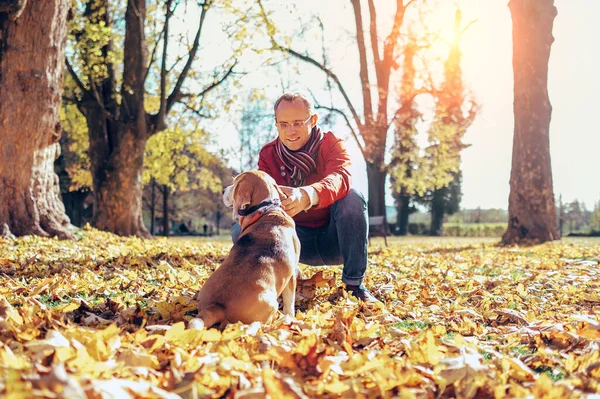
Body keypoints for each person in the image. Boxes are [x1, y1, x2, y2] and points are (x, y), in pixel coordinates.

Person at [232, 93, 379, 303]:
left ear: (314, 120)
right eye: (283, 124)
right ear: (276, 124)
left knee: (353, 198)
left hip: (335, 239)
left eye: (298, 123)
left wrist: (308, 195)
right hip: (292, 241)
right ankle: (263, 286)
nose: (291, 131)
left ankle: (354, 286)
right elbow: (263, 202)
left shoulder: (331, 144)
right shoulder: (268, 154)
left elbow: (341, 177)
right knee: (240, 229)